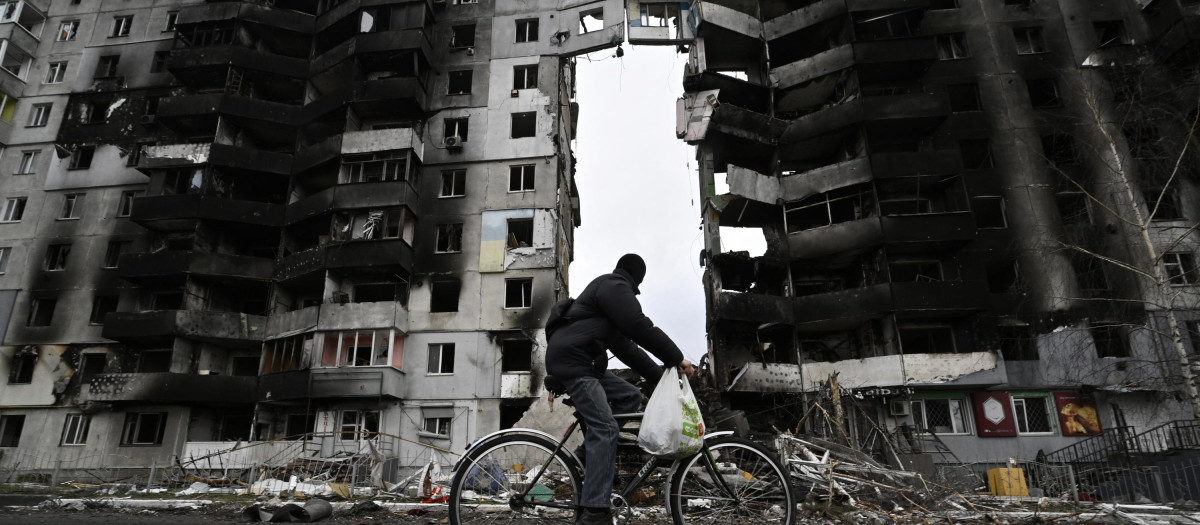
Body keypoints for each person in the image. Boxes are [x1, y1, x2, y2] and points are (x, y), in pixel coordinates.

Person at [546, 253, 695, 525]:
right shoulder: (614, 287)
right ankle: (595, 511)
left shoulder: (607, 304)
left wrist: (662, 377)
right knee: (606, 428)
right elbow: (638, 326)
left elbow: (628, 349)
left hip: (581, 361)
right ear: (636, 279)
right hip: (574, 362)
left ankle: (585, 460)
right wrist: (676, 357)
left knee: (630, 396)